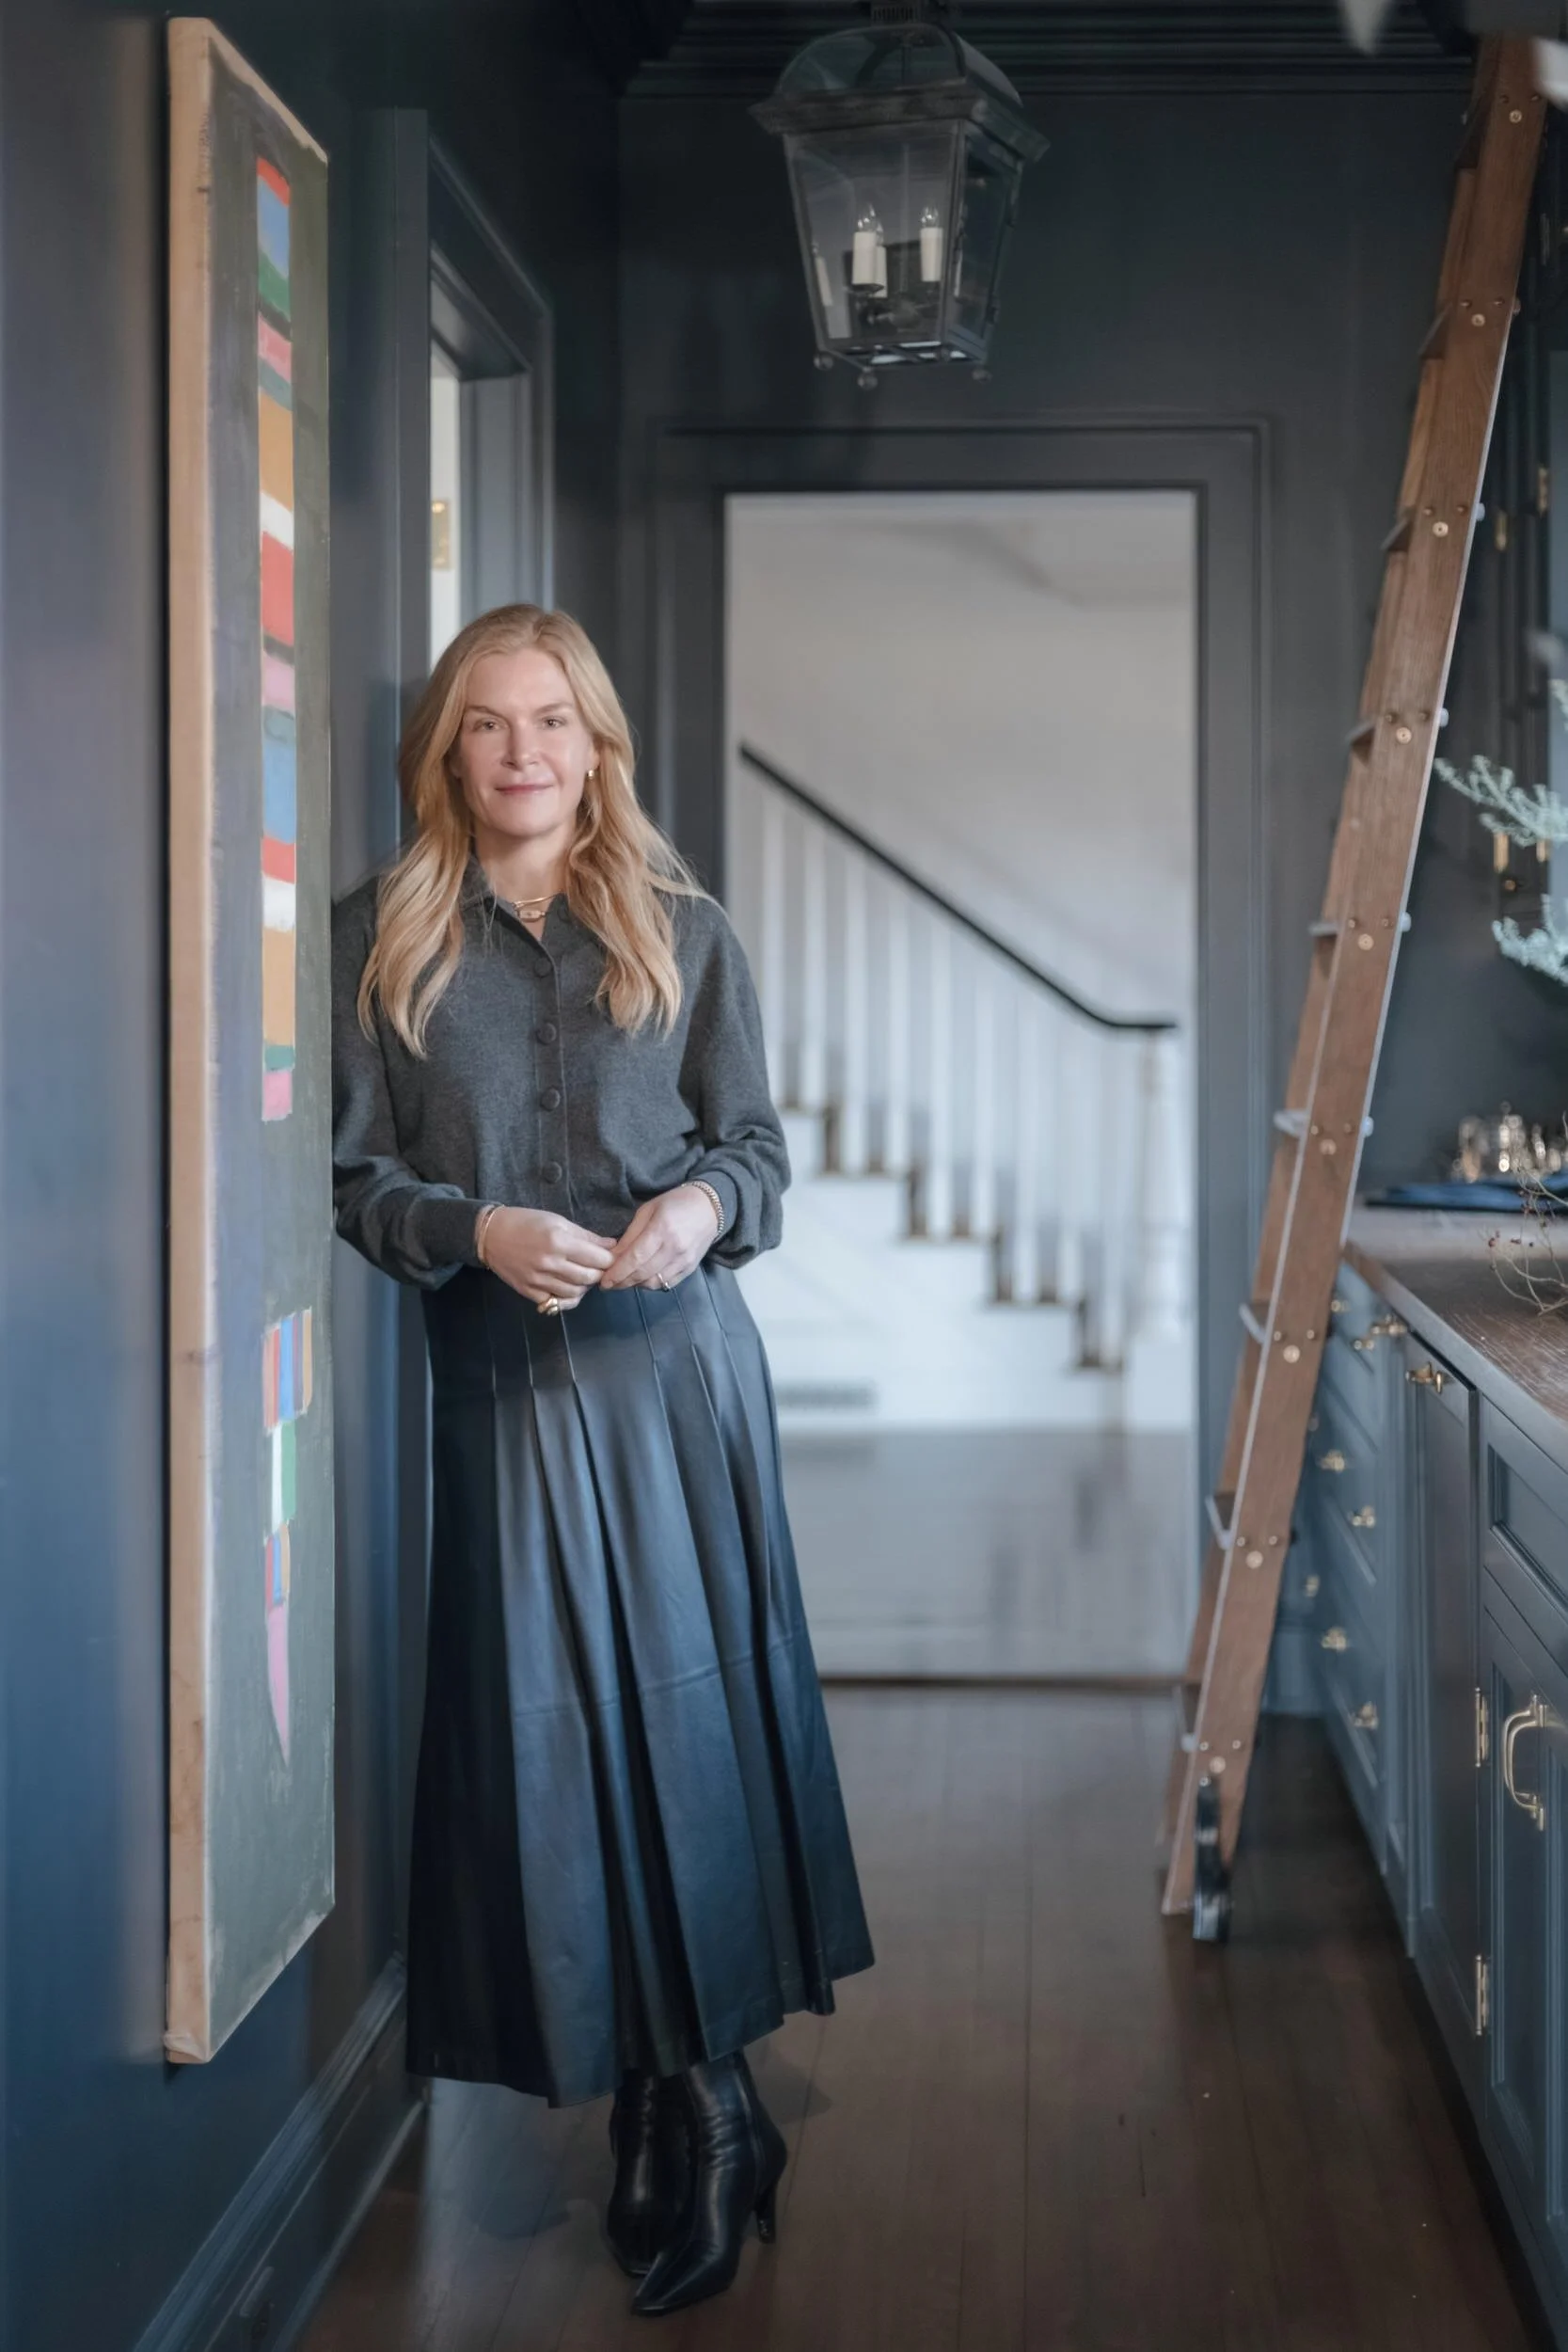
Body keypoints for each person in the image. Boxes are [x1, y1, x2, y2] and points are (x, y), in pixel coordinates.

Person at [330, 602, 874, 2316]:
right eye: (487, 725)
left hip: (677, 1380)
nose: (521, 754)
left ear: (594, 744)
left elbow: (760, 1152)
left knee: (690, 1738)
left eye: (550, 723)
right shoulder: (378, 942)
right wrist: (473, 1227)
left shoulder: (683, 931)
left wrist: (705, 1205)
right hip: (506, 1392)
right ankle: (675, 2100)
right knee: (561, 1760)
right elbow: (352, 1185)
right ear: (448, 749)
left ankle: (699, 2109)